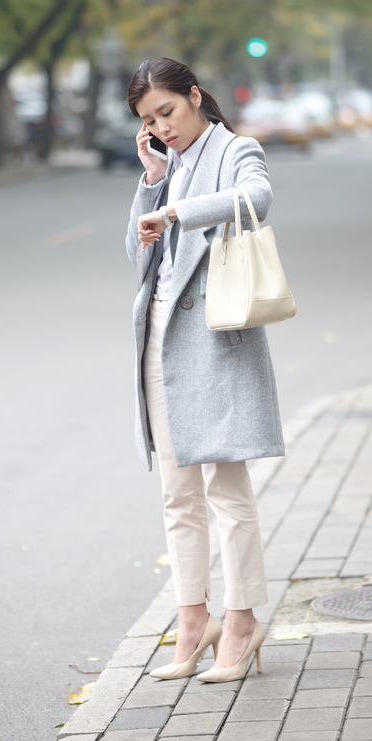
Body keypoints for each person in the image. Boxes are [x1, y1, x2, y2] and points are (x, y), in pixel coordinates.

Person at [125, 58, 284, 682]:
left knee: (226, 489)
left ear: (194, 96)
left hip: (215, 337)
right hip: (160, 334)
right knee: (177, 492)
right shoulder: (164, 169)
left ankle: (241, 621)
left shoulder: (235, 150)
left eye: (167, 111)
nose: (161, 127)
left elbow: (257, 200)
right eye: (149, 121)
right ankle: (193, 621)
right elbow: (136, 255)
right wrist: (152, 184)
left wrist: (175, 211)